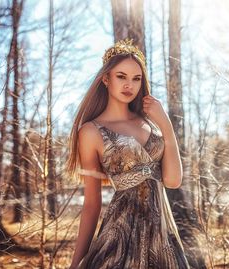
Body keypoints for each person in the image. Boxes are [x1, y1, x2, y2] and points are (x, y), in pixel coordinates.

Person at [66, 39, 190, 269]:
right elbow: (91, 204)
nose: (129, 85)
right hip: (120, 238)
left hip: (162, 237)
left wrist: (166, 126)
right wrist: (76, 263)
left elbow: (173, 181)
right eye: (121, 76)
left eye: (136, 78)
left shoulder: (151, 124)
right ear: (106, 79)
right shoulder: (91, 131)